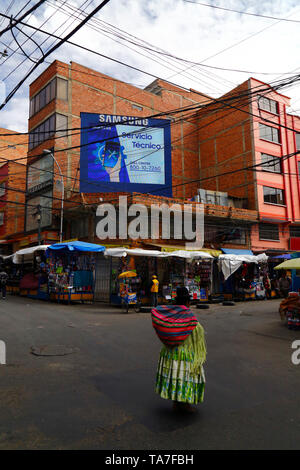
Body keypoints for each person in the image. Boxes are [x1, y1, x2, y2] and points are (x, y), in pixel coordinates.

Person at [153, 288, 206, 413]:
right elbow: (197, 338)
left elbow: (157, 314)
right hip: (184, 355)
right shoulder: (190, 319)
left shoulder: (170, 316)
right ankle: (185, 405)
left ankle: (176, 404)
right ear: (188, 303)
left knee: (175, 378)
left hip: (169, 352)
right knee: (185, 379)